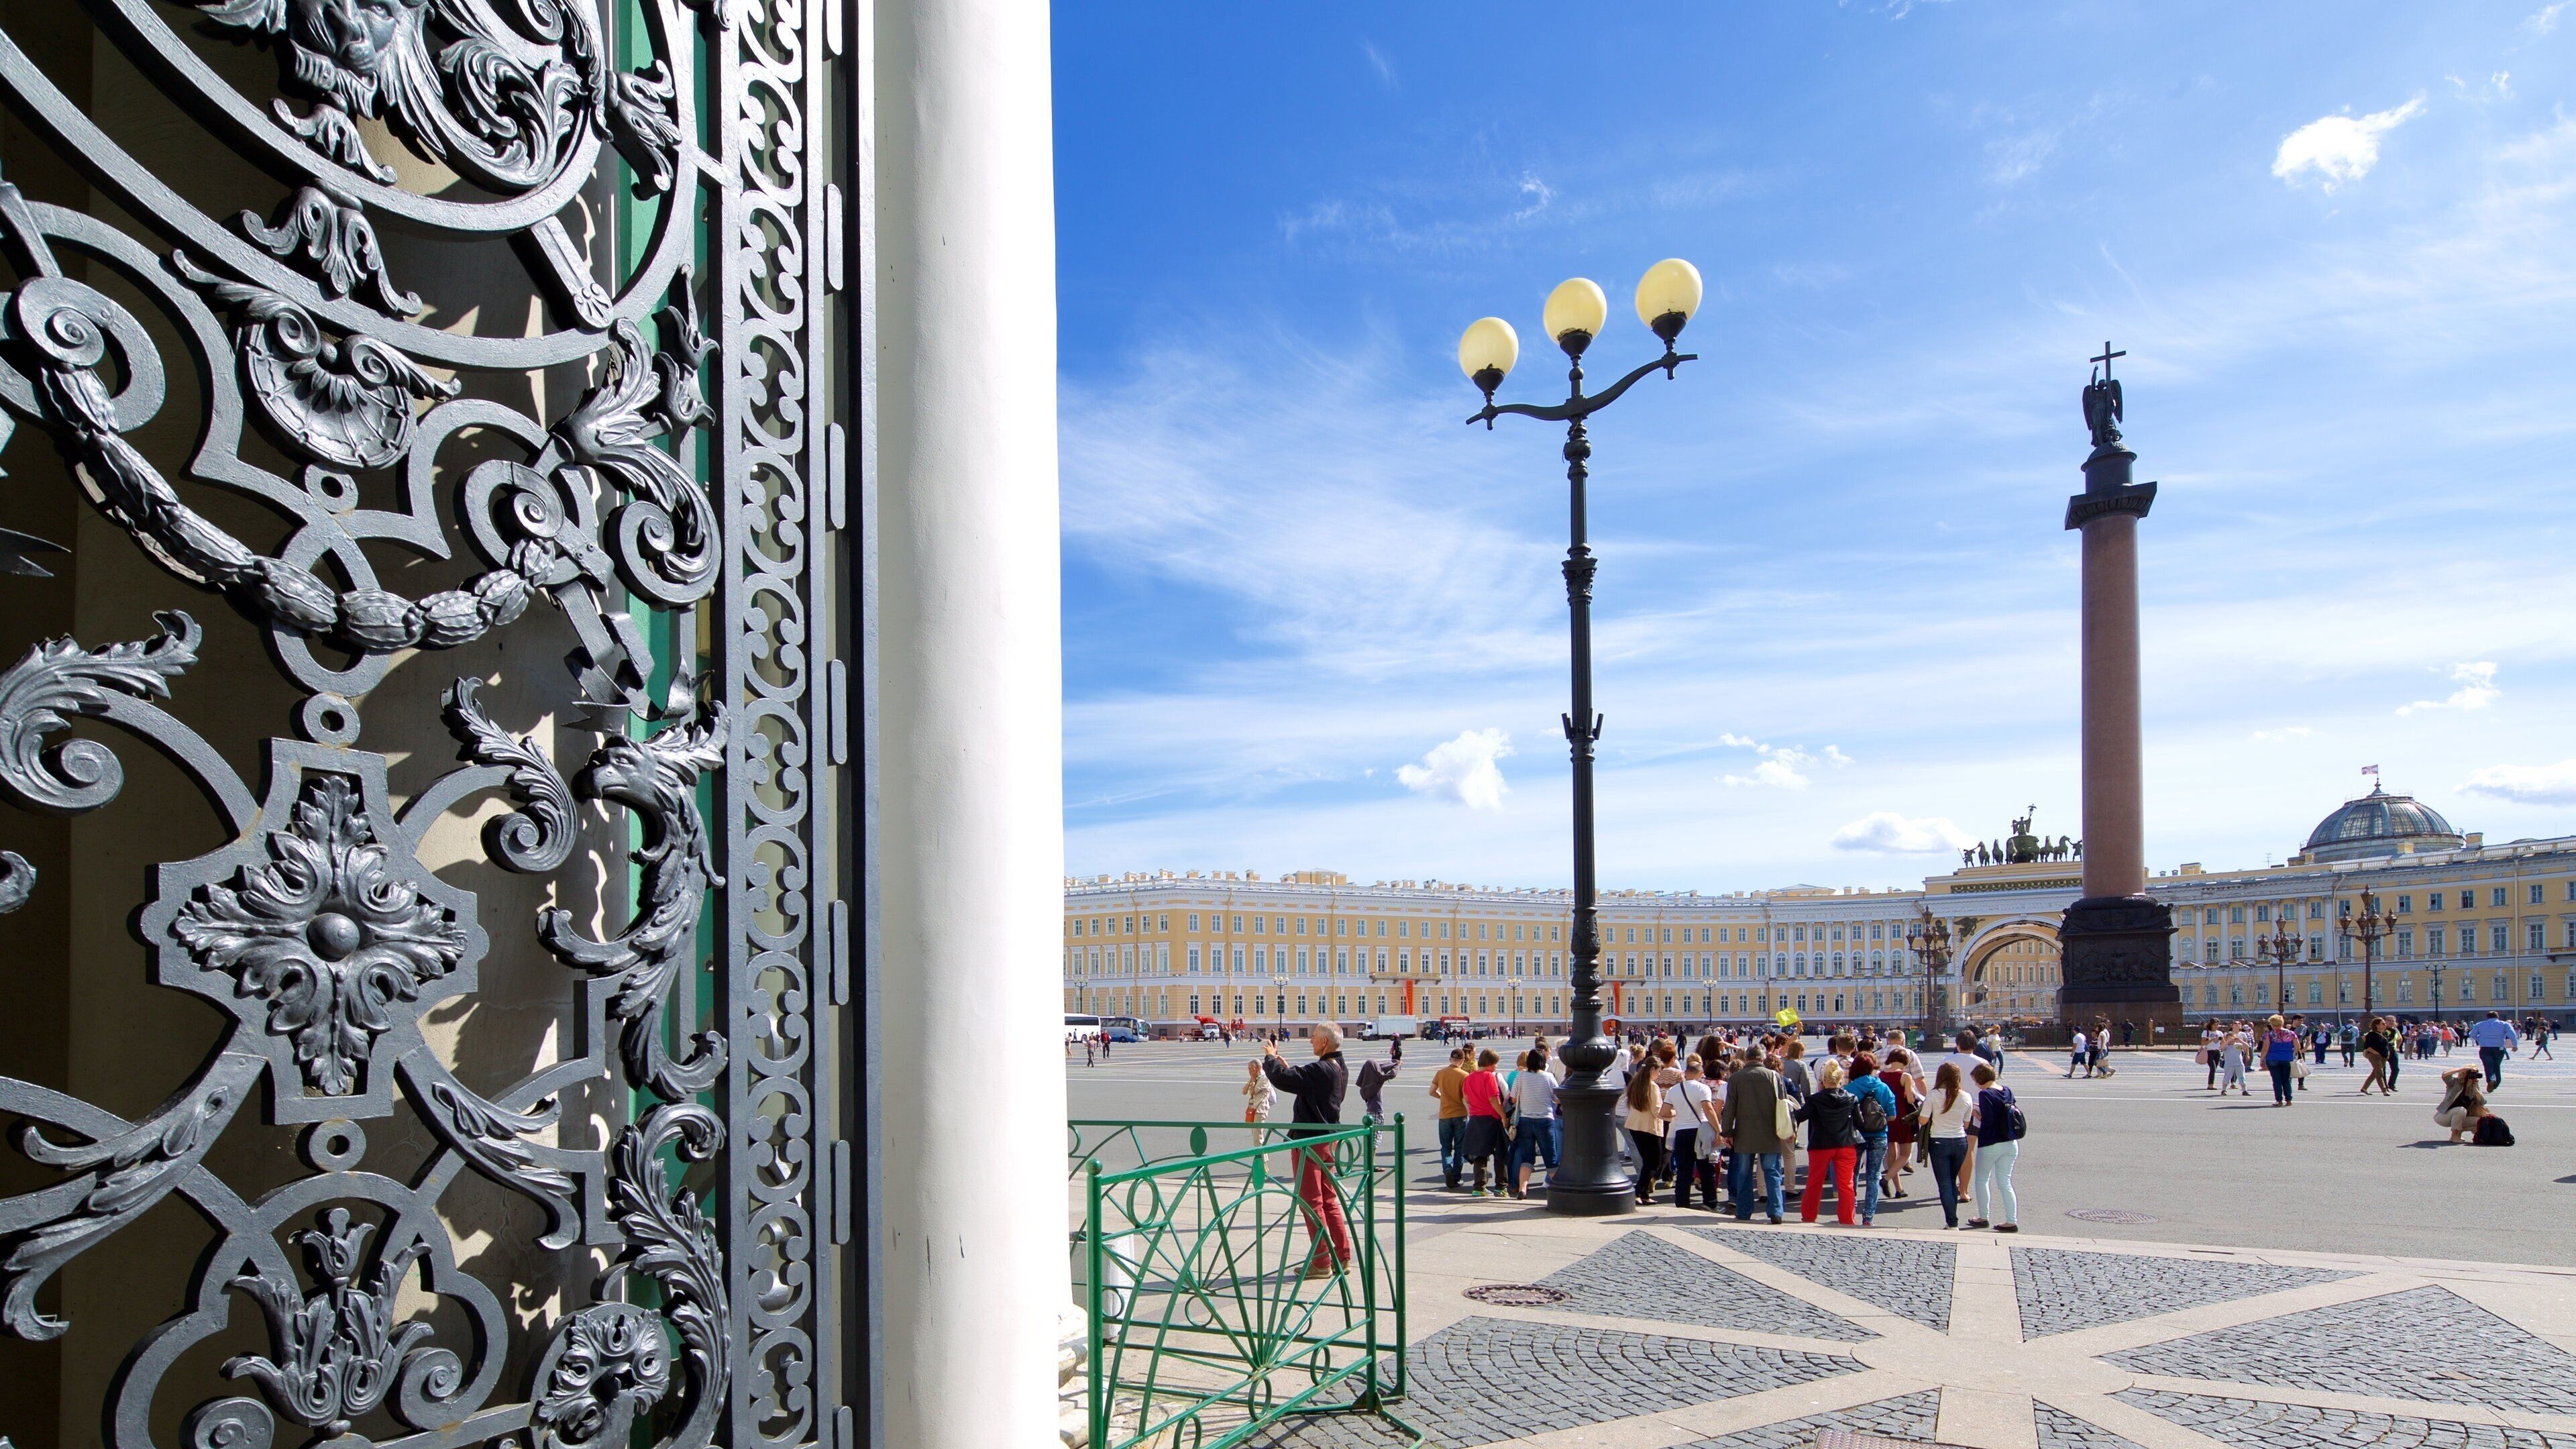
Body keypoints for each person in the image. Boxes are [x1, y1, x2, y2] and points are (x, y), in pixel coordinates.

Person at [1260, 1026, 1352, 1278]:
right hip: (1329, 1140)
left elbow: (1282, 1080)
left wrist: (1270, 1057)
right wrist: (1289, 1069)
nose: (1311, 1040)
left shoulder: (1320, 1069)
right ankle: (1342, 1256)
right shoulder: (1339, 1067)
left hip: (1310, 1141)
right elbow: (1307, 1085)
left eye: (1313, 1037)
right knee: (1329, 1200)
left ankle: (1322, 1262)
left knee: (1311, 1202)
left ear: (1323, 1042)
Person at [1719, 1046, 1789, 1224]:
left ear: (1747, 1058)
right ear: (1762, 1058)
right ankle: (1776, 1211)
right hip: (1770, 1132)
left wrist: (1727, 1132)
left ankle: (1744, 1211)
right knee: (1772, 1172)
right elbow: (1784, 1106)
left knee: (1744, 1173)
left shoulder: (1736, 1078)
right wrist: (1789, 1129)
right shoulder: (1775, 1077)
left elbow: (1730, 1109)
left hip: (1744, 1133)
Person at [1793, 1059, 1863, 1226]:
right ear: (1841, 1080)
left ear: (1823, 1080)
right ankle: (1847, 1220)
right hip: (1845, 1144)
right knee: (1846, 1185)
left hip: (1821, 1144)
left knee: (1814, 1183)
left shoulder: (1816, 1100)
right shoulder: (1851, 1098)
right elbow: (1860, 1124)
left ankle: (1809, 1217)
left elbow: (1799, 1117)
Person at [1964, 1061, 2020, 1233]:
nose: (1974, 1084)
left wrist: (1975, 1113)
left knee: (1982, 1179)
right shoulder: (2007, 1090)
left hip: (1991, 1143)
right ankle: (2011, 1220)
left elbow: (1988, 1121)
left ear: (1980, 1079)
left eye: (1975, 1080)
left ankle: (1983, 1217)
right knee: (2005, 1183)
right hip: (2010, 1143)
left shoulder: (1985, 1094)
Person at [1847, 1050, 1897, 1226]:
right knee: (1873, 1176)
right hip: (1879, 1135)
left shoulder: (1850, 1088)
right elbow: (1892, 1116)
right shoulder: (1883, 1088)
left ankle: (1850, 1210)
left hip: (1856, 1135)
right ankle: (1868, 1217)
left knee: (1852, 1175)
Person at [1922, 1061, 1974, 1229]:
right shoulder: (1966, 1096)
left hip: (1939, 1141)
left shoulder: (1934, 1095)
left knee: (1945, 1183)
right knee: (1952, 1181)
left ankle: (1952, 1222)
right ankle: (1952, 1221)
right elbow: (1966, 1124)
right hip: (1960, 1141)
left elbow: (1923, 1120)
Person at [1621, 1051, 1672, 1206]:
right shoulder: (1652, 1086)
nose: (1660, 1073)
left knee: (1648, 1161)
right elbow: (1657, 1111)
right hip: (1648, 1127)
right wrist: (1674, 1113)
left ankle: (1643, 1194)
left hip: (1635, 1125)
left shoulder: (1636, 1082)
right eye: (1659, 1071)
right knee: (1654, 1163)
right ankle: (1639, 1191)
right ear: (1652, 1070)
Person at [1460, 1049, 1511, 1197]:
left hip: (1476, 1119)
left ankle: (1479, 1187)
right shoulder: (1489, 1077)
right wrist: (1503, 1116)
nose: (1496, 1067)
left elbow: (1466, 1098)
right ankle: (1501, 1187)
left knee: (1480, 1154)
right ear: (1490, 1064)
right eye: (1495, 1064)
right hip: (1492, 1118)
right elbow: (1494, 1100)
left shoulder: (1469, 1078)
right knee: (1500, 1153)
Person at [1509, 1046, 1559, 1199]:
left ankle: (1523, 1189)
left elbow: (1513, 1098)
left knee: (1527, 1157)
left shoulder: (1521, 1077)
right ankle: (1558, 1188)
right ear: (1543, 1062)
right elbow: (1557, 1098)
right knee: (1550, 1156)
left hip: (1525, 1120)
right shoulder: (1548, 1077)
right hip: (1545, 1120)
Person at [1672, 1059, 1719, 1209]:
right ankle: (1710, 1203)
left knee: (1683, 1171)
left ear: (1686, 1073)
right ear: (1701, 1073)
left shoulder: (1674, 1089)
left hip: (1681, 1132)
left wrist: (1679, 1113)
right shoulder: (1702, 1088)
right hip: (1699, 1131)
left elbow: (1664, 1112)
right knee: (1706, 1170)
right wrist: (1718, 1130)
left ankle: (1682, 1203)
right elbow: (1708, 1109)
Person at [1431, 1047, 1470, 1189]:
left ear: (1450, 1060)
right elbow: (1467, 1098)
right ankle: (1456, 1177)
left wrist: (1443, 1097)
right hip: (1460, 1114)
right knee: (1460, 1147)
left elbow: (1431, 1091)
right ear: (1462, 1061)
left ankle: (1447, 1168)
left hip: (1445, 1115)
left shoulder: (1440, 1073)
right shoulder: (1464, 1075)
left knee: (1446, 1146)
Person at [2435, 1064, 2490, 1144]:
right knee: (2461, 1110)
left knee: (2481, 1122)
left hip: (2460, 1116)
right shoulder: (2455, 1083)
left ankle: (2459, 1132)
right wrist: (2462, 1069)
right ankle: (2455, 1136)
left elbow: (2482, 1102)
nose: (2474, 1076)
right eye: (2471, 1074)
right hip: (2443, 1117)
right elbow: (2445, 1075)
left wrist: (2475, 1089)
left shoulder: (2474, 1086)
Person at [2470, 1010, 2519, 1091]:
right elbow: (2512, 1034)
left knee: (2488, 1066)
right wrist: (2515, 1045)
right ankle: (2496, 1083)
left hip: (2485, 1048)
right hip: (2499, 1048)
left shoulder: (2480, 1024)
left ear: (2487, 1017)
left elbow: (2472, 1035)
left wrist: (2480, 1038)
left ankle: (2490, 1080)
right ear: (2498, 1017)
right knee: (2497, 1066)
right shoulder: (2504, 1024)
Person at [2261, 1014, 2299, 1106]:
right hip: (2287, 1059)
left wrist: (2262, 1060)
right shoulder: (2291, 1033)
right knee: (2287, 1080)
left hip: (2273, 1058)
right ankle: (2289, 1100)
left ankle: (2279, 1101)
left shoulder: (2269, 1035)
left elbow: (2265, 1049)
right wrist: (2292, 1053)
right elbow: (2298, 1047)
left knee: (2277, 1080)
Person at [1355, 1054, 1396, 1125]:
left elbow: (1380, 1067)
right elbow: (1391, 1075)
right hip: (1377, 1110)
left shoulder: (1367, 1082)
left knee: (1373, 1134)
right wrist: (1398, 1066)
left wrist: (1394, 1062)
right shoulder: (1376, 1083)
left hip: (1370, 1111)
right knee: (1377, 1134)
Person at [2359, 1018, 2394, 1095]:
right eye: (2383, 1024)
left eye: (2385, 1024)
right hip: (2374, 1056)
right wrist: (2376, 1053)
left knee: (2375, 1073)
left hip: (2384, 1056)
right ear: (2377, 1025)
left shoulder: (2384, 1033)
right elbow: (2367, 1046)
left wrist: (2387, 1053)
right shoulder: (2372, 1034)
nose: (2385, 1025)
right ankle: (2384, 1090)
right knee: (2380, 1073)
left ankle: (2364, 1088)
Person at [1242, 1058, 1276, 1123]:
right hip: (1252, 1108)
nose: (1250, 1071)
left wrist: (1253, 1080)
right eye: (1249, 1069)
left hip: (1260, 1109)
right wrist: (1251, 1080)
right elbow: (1244, 1092)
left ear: (1259, 1068)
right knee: (1253, 1130)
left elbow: (1252, 1093)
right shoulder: (1254, 1077)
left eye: (1252, 1068)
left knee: (1258, 1132)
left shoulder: (1264, 1079)